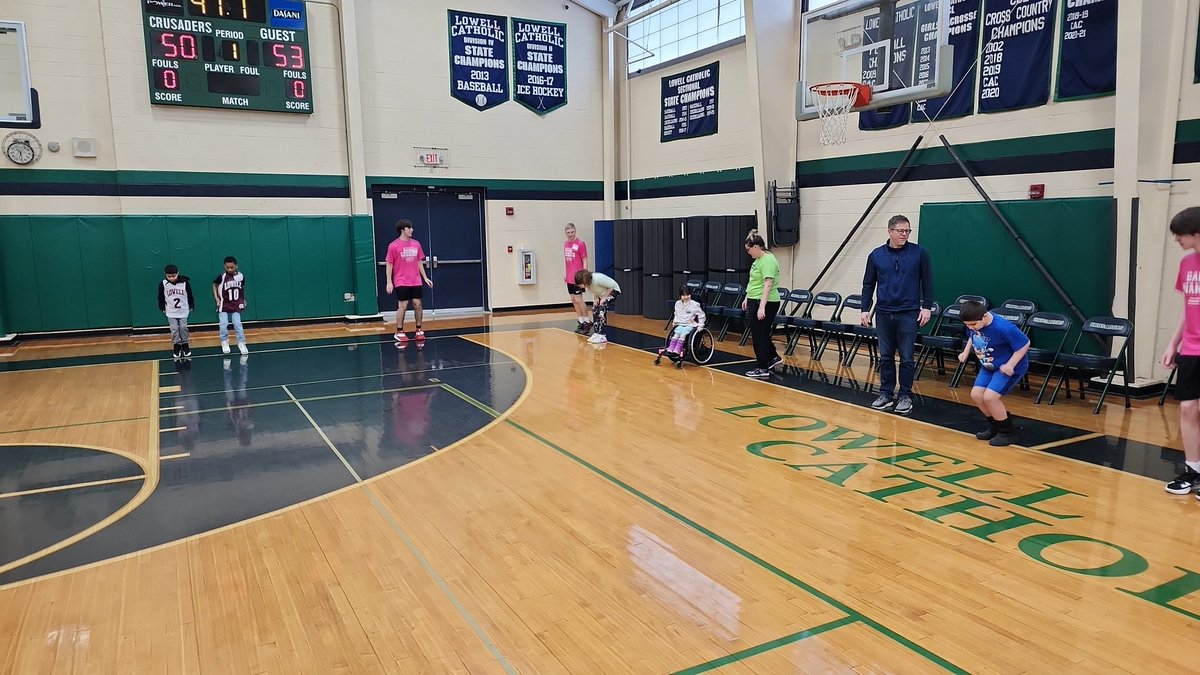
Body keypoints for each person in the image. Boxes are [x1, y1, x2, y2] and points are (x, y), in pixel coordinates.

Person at [860, 214, 934, 414]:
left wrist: (927, 306)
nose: (905, 234)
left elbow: (928, 281)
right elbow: (868, 284)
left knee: (907, 357)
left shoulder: (920, 253)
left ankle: (905, 396)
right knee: (885, 356)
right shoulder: (876, 255)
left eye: (907, 231)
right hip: (883, 312)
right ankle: (885, 393)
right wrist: (865, 308)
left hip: (909, 312)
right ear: (890, 231)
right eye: (901, 231)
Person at [1163, 207, 1200, 497]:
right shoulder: (1187, 263)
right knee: (1188, 409)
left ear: (1195, 233)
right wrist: (1172, 343)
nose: (1176, 239)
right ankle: (1192, 470)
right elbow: (1188, 309)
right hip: (1191, 348)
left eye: (1180, 234)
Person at [957, 300, 1029, 446]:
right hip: (988, 366)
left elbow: (1024, 343)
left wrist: (1010, 365)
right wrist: (965, 351)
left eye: (973, 324)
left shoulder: (1004, 328)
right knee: (976, 395)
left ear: (984, 316)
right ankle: (996, 425)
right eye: (967, 325)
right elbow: (973, 335)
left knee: (990, 398)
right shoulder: (974, 322)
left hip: (1006, 367)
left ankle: (1007, 432)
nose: (970, 327)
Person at [385, 219, 434, 345]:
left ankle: (418, 329)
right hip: (401, 280)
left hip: (415, 280)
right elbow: (389, 265)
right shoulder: (393, 246)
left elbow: (419, 262)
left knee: (418, 304)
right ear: (403, 229)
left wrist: (425, 277)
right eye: (409, 228)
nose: (412, 230)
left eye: (411, 228)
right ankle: (399, 331)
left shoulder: (416, 244)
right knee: (403, 305)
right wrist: (389, 282)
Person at [742, 230, 783, 379]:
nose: (748, 252)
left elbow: (767, 284)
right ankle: (773, 357)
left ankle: (762, 366)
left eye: (749, 249)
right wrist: (748, 296)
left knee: (759, 335)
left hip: (765, 301)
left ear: (757, 247)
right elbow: (754, 282)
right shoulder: (757, 261)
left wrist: (761, 307)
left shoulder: (768, 261)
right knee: (761, 333)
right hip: (755, 298)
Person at [659, 285, 705, 364]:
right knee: (676, 334)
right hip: (680, 323)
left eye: (687, 295)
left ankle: (678, 349)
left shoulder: (694, 304)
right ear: (680, 296)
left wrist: (701, 325)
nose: (686, 297)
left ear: (690, 294)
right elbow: (676, 314)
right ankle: (671, 348)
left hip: (690, 324)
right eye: (683, 295)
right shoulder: (678, 303)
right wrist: (675, 321)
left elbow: (701, 315)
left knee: (683, 334)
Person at [213, 256, 248, 355]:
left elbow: (241, 288)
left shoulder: (241, 276)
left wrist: (242, 299)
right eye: (227, 267)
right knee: (223, 324)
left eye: (232, 267)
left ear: (236, 266)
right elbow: (214, 285)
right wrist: (217, 299)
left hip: (236, 304)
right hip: (224, 304)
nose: (229, 269)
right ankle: (224, 341)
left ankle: (241, 342)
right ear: (224, 266)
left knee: (237, 324)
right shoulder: (222, 276)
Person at [574, 269, 620, 344]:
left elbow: (611, 286)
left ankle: (602, 335)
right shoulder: (588, 285)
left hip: (613, 291)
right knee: (595, 309)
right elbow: (595, 290)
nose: (580, 286)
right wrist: (595, 299)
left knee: (602, 309)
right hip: (601, 294)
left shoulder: (597, 278)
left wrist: (604, 297)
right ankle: (597, 333)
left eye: (580, 284)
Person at [158, 264, 195, 359]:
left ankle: (185, 345)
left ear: (178, 273)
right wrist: (162, 307)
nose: (171, 278)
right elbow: (160, 297)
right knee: (174, 329)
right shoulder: (163, 284)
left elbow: (190, 295)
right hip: (171, 311)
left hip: (182, 310)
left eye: (173, 276)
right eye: (169, 276)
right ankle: (176, 346)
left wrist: (191, 305)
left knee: (183, 328)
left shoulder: (185, 283)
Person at [564, 223, 591, 334]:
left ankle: (587, 321)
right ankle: (580, 321)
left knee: (579, 299)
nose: (570, 234)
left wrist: (584, 275)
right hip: (569, 277)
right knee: (573, 300)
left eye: (572, 232)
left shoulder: (580, 244)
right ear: (565, 233)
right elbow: (567, 261)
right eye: (568, 232)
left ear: (575, 231)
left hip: (578, 277)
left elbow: (584, 259)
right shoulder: (566, 244)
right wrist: (566, 274)